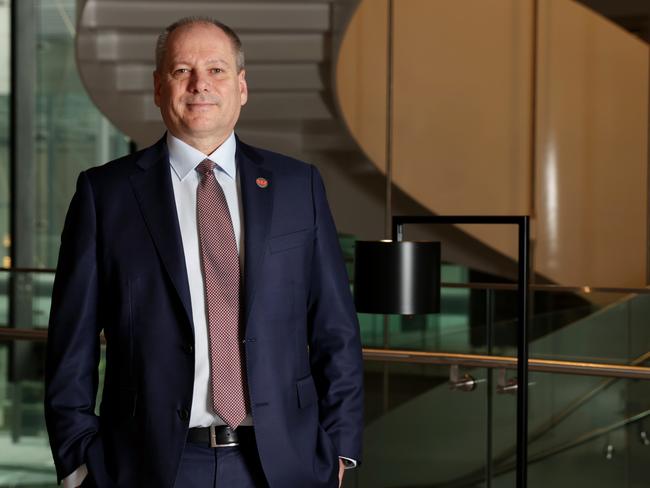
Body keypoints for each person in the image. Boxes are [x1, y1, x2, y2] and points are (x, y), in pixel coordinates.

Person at [44, 16, 363, 488]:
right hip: (147, 466)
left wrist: (339, 449)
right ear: (158, 87)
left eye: (215, 70)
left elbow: (335, 329)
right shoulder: (104, 195)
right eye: (181, 71)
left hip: (283, 465)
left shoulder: (299, 186)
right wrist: (77, 461)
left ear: (241, 86)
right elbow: (72, 341)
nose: (199, 85)